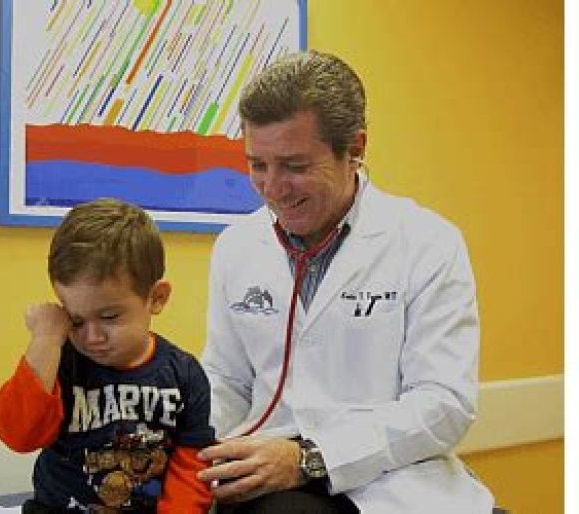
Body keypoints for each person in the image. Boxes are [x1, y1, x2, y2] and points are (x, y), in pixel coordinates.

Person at [196, 50, 495, 513]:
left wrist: (310, 458)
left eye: (295, 166)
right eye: (258, 165)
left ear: (355, 149)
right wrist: (186, 447)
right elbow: (228, 381)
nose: (273, 189)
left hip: (394, 485)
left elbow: (444, 403)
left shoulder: (426, 242)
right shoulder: (237, 247)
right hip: (271, 479)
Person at [0, 198, 215, 513]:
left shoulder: (185, 374)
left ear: (156, 298)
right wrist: (45, 340)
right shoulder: (59, 361)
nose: (92, 337)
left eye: (110, 317)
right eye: (76, 321)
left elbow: (191, 467)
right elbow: (19, 436)